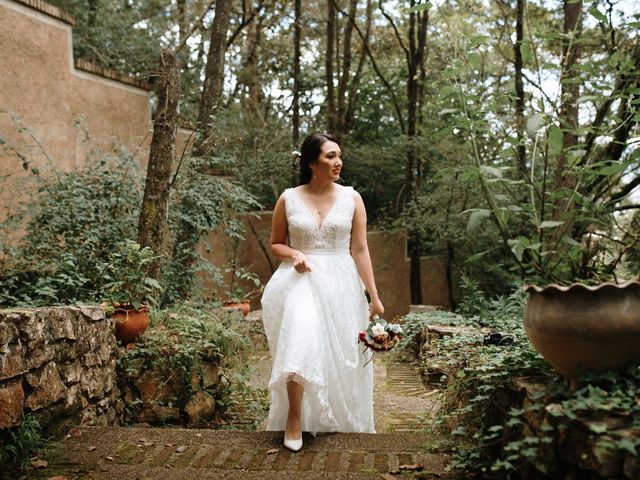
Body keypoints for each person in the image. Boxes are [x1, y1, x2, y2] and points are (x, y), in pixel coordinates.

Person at [261, 133, 385, 452]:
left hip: (341, 282)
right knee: (300, 334)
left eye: (339, 155)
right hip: (300, 279)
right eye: (330, 156)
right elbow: (275, 243)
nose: (338, 161)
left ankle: (333, 418)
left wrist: (373, 295)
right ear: (312, 163)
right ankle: (294, 418)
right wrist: (295, 255)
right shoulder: (288, 198)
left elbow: (360, 250)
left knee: (336, 353)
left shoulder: (352, 198)